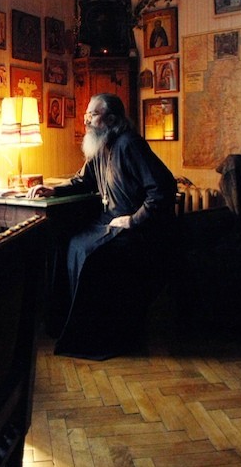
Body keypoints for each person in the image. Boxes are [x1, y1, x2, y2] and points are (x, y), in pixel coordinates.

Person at [28, 93, 177, 360]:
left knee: (90, 254)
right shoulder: (100, 144)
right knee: (65, 243)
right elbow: (82, 181)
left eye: (92, 115)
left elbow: (163, 188)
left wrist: (133, 220)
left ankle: (98, 337)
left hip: (138, 229)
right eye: (87, 115)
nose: (86, 120)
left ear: (111, 119)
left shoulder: (130, 144)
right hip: (108, 222)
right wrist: (53, 190)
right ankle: (66, 328)